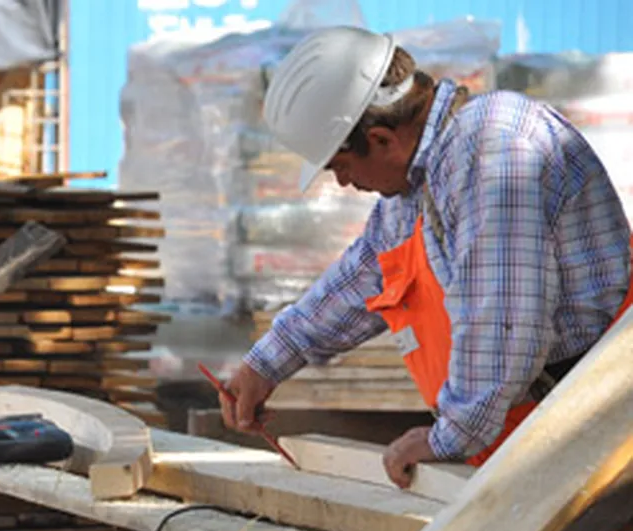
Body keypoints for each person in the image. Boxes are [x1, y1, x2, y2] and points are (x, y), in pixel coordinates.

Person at [222, 26, 633, 487]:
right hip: (555, 415)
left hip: (608, 407)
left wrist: (448, 437)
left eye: (340, 167)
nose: (342, 184)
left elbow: (504, 317)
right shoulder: (415, 189)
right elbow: (364, 278)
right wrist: (267, 362)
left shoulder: (491, 148)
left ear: (381, 139)